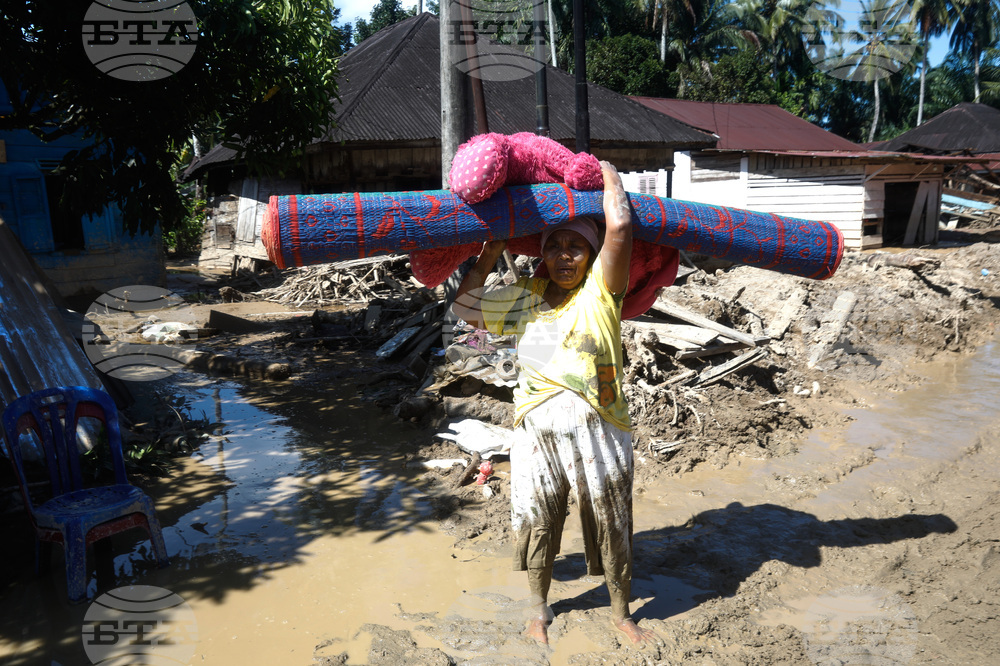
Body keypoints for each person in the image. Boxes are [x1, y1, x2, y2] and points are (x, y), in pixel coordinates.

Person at [452, 161, 656, 646]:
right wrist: (491, 252)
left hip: (600, 428)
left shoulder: (602, 293)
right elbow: (465, 310)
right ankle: (538, 612)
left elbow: (621, 225)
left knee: (612, 520)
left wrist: (605, 170)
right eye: (554, 246)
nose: (565, 256)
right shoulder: (527, 296)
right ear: (541, 253)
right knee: (536, 518)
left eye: (576, 247)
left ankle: (622, 613)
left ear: (591, 254)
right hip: (534, 431)